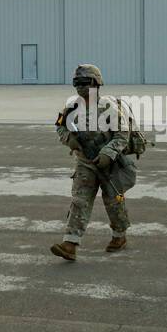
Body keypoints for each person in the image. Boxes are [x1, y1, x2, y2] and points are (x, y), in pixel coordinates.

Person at [50, 64, 137, 260]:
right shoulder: (71, 107)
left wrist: (108, 153)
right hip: (85, 164)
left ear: (96, 84)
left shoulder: (109, 108)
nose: (80, 87)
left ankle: (119, 235)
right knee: (80, 201)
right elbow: (59, 127)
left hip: (110, 164)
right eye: (77, 82)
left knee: (114, 202)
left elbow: (123, 135)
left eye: (85, 82)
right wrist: (69, 140)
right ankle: (70, 243)